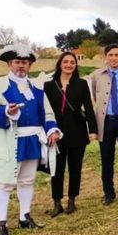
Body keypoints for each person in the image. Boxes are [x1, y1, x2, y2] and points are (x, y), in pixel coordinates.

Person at [0, 44, 61, 235]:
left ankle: (24, 218)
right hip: (9, 142)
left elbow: (48, 114)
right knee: (3, 184)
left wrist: (52, 130)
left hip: (32, 141)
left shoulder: (37, 88)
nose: (21, 66)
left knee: (27, 181)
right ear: (10, 64)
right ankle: (1, 224)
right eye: (17, 62)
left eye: (25, 62)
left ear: (30, 65)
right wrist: (5, 112)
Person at [43, 52, 98, 216]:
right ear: (60, 64)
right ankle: (57, 202)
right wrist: (46, 130)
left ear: (75, 65)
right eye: (65, 62)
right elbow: (44, 111)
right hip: (56, 134)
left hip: (77, 133)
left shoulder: (81, 84)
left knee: (75, 168)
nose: (69, 65)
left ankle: (72, 201)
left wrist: (92, 130)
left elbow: (88, 107)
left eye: (72, 62)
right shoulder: (49, 85)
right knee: (57, 169)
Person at [90, 44, 118, 204]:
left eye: (117, 55)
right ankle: (108, 192)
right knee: (106, 159)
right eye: (110, 55)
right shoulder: (97, 75)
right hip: (107, 122)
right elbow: (97, 97)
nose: (114, 58)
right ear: (105, 57)